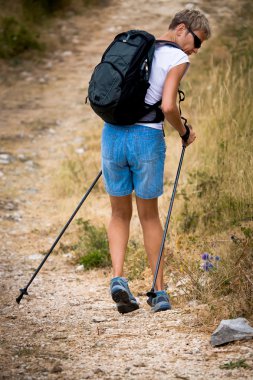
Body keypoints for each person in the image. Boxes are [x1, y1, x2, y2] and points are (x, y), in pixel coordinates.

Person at [101, 9, 211, 314]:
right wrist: (184, 131)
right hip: (145, 139)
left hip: (112, 135)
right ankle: (159, 292)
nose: (195, 50)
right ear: (181, 28)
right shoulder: (178, 59)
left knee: (118, 213)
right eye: (197, 42)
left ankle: (118, 278)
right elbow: (167, 106)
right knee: (149, 216)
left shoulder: (137, 46)